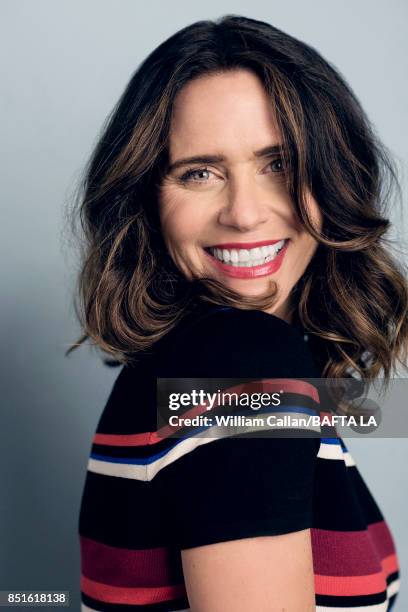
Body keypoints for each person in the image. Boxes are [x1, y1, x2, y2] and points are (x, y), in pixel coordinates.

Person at [69, 15, 408, 611]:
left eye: (278, 164)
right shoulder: (240, 359)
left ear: (334, 178)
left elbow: (380, 411)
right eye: (199, 172)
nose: (245, 213)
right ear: (148, 199)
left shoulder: (218, 372)